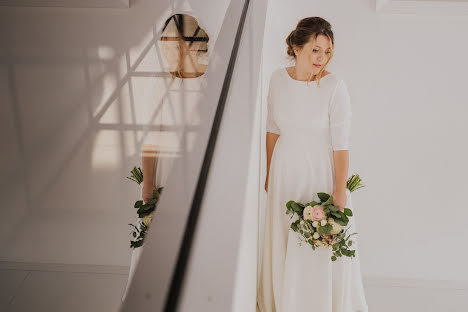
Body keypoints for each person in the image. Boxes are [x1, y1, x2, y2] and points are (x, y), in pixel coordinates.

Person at [257, 17, 369, 312]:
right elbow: (272, 129)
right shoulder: (277, 79)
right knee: (286, 233)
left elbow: (341, 144)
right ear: (296, 47)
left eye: (327, 52)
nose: (322, 58)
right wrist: (270, 172)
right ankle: (285, 301)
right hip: (285, 170)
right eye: (315, 50)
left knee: (319, 239)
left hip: (320, 170)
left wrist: (340, 191)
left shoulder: (335, 86)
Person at [121, 13, 209, 302]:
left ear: (191, 45)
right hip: (165, 175)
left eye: (174, 47)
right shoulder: (159, 84)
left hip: (198, 175)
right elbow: (150, 141)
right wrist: (148, 184)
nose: (167, 54)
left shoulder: (212, 83)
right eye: (165, 48)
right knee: (157, 244)